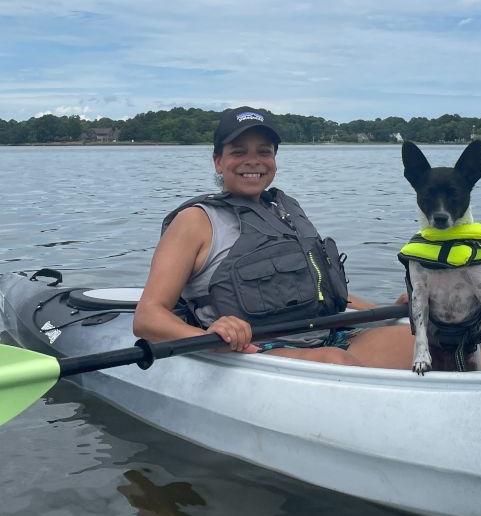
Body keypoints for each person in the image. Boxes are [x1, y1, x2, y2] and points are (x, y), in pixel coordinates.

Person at [133, 106, 417, 368]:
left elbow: (314, 289)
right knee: (335, 361)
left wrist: (387, 311)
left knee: (423, 342)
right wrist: (212, 336)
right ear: (218, 162)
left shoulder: (287, 210)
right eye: (238, 152)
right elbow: (148, 317)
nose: (252, 161)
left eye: (264, 152)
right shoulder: (194, 221)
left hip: (325, 336)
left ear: (274, 159)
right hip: (257, 349)